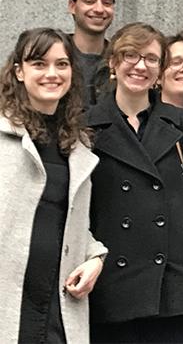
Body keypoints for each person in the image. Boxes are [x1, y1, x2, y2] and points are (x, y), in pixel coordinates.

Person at [87, 22, 183, 343]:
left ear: (160, 69)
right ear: (113, 63)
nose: (140, 66)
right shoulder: (87, 127)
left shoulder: (182, 125)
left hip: (178, 290)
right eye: (130, 56)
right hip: (112, 288)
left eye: (151, 59)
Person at [0, 28, 107, 342]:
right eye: (39, 63)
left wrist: (95, 259)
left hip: (58, 304)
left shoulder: (78, 146)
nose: (52, 73)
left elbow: (74, 223)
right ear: (19, 71)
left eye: (62, 64)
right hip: (8, 301)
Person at [67, 0, 117, 107]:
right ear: (72, 6)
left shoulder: (121, 59)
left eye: (107, 2)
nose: (99, 9)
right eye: (90, 1)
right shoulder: (52, 54)